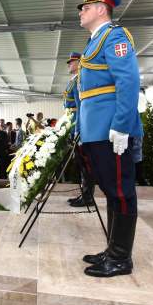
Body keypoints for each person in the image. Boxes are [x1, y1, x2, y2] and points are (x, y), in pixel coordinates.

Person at [75, 0, 142, 278]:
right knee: (111, 191)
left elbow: (128, 81)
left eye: (86, 7)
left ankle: (120, 258)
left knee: (121, 191)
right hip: (96, 130)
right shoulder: (93, 42)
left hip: (110, 129)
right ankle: (113, 249)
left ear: (102, 9)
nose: (81, 12)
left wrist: (121, 126)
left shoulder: (114, 36)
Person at [63, 52, 96, 208]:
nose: (69, 64)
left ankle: (88, 197)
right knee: (81, 165)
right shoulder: (74, 80)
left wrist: (79, 130)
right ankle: (84, 194)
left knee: (85, 165)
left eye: (72, 61)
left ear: (79, 62)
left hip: (79, 125)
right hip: (73, 124)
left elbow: (81, 106)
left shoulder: (79, 80)